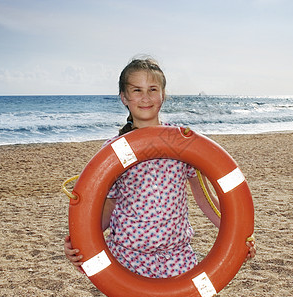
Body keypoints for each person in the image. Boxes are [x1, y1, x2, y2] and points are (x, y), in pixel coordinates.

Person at [64, 56, 256, 278]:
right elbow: (107, 210)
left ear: (163, 95)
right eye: (137, 90)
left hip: (177, 257)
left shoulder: (184, 145)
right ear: (124, 97)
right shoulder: (114, 152)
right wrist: (80, 242)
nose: (145, 97)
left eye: (152, 89)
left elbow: (205, 200)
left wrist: (239, 237)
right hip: (128, 259)